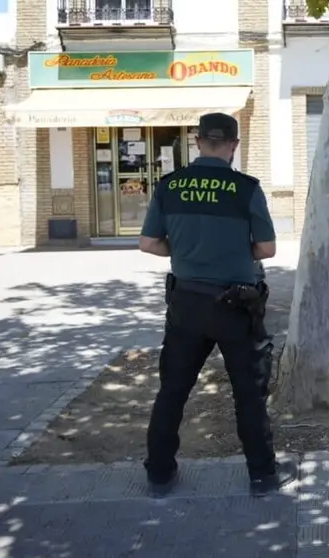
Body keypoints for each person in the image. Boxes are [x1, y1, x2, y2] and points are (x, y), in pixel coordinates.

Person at [138, 112, 295, 498]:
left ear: (197, 142)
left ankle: (159, 474)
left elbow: (149, 243)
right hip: (236, 306)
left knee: (173, 390)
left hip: (186, 304)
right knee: (248, 394)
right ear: (233, 145)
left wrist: (186, 251)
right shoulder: (246, 188)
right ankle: (263, 476)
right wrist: (233, 251)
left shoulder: (170, 185)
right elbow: (267, 248)